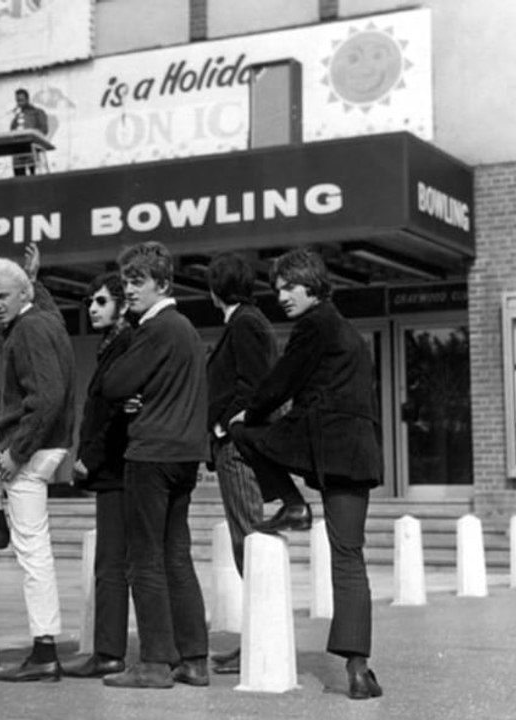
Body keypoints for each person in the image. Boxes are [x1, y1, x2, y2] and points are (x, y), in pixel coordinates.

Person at [227, 247, 384, 701]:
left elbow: (281, 382)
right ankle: (358, 669)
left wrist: (246, 411)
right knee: (349, 556)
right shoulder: (349, 331)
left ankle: (293, 504)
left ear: (311, 285)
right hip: (357, 454)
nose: (281, 296)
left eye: (288, 287)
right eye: (277, 289)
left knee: (243, 432)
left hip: (321, 442)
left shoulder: (314, 324)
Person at [0, 254, 75, 683]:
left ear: (21, 294)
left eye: (1, 295)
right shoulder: (44, 319)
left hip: (34, 447)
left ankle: (44, 651)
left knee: (33, 552)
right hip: (40, 441)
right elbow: (47, 307)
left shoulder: (28, 330)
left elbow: (46, 397)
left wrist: (17, 452)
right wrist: (35, 280)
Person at [100, 241, 210, 689]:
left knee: (143, 560)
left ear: (162, 283)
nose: (129, 289)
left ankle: (154, 663)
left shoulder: (155, 327)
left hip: (151, 454)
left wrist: (130, 388)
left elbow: (114, 383)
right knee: (176, 556)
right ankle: (195, 659)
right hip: (185, 455)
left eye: (137, 281)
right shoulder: (186, 329)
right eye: (125, 280)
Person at [204, 252, 278, 675]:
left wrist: (221, 427)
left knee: (249, 540)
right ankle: (256, 636)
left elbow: (254, 385)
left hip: (236, 447)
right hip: (233, 447)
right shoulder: (245, 321)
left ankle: (263, 638)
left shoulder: (245, 323)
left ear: (215, 289)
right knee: (244, 540)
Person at [60, 271, 134, 679]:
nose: (92, 309)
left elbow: (114, 411)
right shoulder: (112, 345)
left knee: (110, 565)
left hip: (116, 470)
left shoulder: (124, 344)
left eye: (101, 301)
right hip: (116, 469)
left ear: (123, 304)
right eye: (90, 301)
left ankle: (108, 653)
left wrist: (89, 455)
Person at [10, 88, 48, 176]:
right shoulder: (17, 116)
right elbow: (11, 131)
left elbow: (44, 130)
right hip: (18, 149)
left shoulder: (38, 112)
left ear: (27, 99)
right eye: (17, 100)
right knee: (19, 176)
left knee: (34, 175)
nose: (19, 103)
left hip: (31, 147)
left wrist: (32, 135)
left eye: (21, 100)